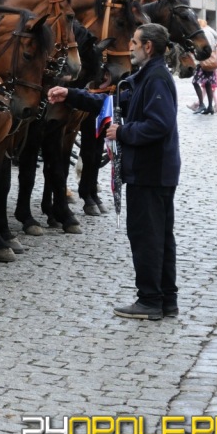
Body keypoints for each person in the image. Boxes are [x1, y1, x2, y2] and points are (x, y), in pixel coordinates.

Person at [48, 23, 180, 321]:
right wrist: (69, 94)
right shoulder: (145, 76)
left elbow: (159, 125)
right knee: (158, 236)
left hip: (150, 172)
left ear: (148, 47)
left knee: (147, 236)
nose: (129, 47)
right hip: (153, 171)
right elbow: (109, 102)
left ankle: (149, 301)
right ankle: (165, 300)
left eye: (134, 42)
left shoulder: (156, 78)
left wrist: (122, 132)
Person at [189, 18, 217, 114]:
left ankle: (201, 104)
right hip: (211, 62)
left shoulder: (201, 32)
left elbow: (199, 46)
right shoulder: (211, 31)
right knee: (208, 83)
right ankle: (210, 107)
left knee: (195, 82)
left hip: (203, 61)